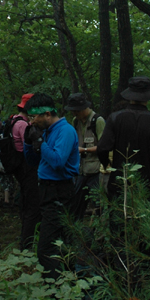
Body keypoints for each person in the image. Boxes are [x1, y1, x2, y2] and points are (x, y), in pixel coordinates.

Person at [24, 92, 79, 280]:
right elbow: (33, 161)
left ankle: (56, 289)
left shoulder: (65, 131)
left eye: (34, 117)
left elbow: (57, 161)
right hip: (47, 190)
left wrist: (40, 142)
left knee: (46, 248)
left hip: (59, 191)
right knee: (60, 240)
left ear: (47, 113)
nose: (31, 122)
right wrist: (28, 142)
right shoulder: (47, 131)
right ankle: (69, 279)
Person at [97, 77, 150, 202]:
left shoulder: (115, 118)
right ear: (147, 98)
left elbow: (102, 148)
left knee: (119, 218)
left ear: (129, 96)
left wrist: (108, 165)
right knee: (146, 218)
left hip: (119, 180)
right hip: (148, 182)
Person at [65, 93, 105, 221]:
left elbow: (104, 147)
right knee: (76, 203)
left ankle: (101, 233)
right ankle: (76, 232)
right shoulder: (75, 122)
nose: (73, 114)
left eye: (75, 111)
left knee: (99, 204)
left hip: (96, 170)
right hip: (80, 170)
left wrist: (85, 150)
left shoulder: (98, 121)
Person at [10, 92, 40, 250]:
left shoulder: (14, 120)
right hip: (26, 166)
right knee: (31, 204)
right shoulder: (23, 125)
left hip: (20, 166)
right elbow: (30, 145)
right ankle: (26, 242)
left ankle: (27, 236)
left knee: (26, 199)